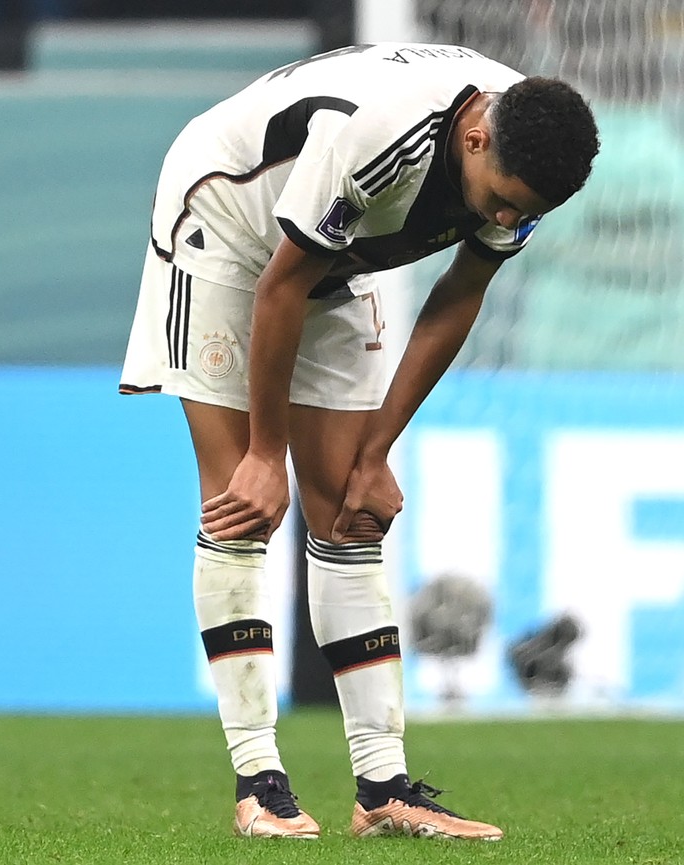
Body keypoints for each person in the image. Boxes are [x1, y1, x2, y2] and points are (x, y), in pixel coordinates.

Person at [117, 42, 599, 841]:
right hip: (225, 221)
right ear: (474, 138)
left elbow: (457, 296)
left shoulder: (532, 152)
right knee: (240, 502)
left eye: (523, 211)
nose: (507, 219)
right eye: (502, 201)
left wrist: (377, 453)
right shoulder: (380, 139)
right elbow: (280, 287)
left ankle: (383, 790)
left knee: (348, 512)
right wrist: (265, 454)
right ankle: (259, 782)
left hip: (333, 252)